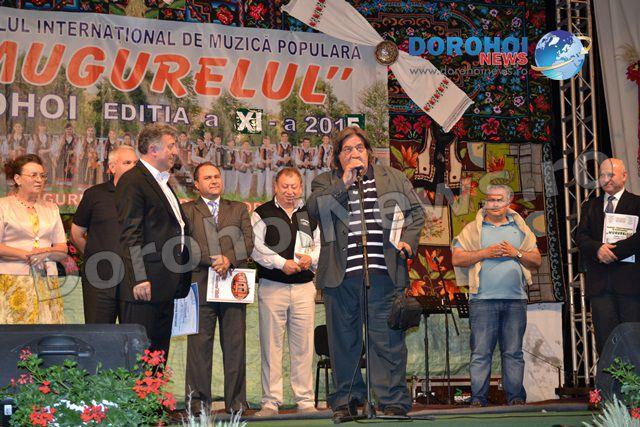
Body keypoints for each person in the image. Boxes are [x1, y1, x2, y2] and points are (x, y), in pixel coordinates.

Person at [307, 126, 424, 420]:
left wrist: (408, 243)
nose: (354, 153)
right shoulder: (325, 181)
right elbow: (315, 210)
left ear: (369, 152)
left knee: (387, 341)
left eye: (359, 147)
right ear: (338, 157)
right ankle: (347, 400)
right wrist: (344, 183)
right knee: (343, 343)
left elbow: (416, 213)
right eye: (347, 149)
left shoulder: (393, 177)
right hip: (340, 278)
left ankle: (392, 399)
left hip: (383, 274)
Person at [452, 184, 541, 407]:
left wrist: (516, 253)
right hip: (482, 301)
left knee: (513, 352)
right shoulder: (473, 228)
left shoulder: (520, 228)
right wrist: (484, 253)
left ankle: (516, 399)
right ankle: (478, 400)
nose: (493, 204)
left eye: (498, 199)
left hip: (515, 301)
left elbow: (536, 260)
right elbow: (457, 258)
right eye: (490, 200)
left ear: (508, 202)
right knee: (481, 352)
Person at [183, 162, 254, 415]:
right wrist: (214, 259)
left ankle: (236, 403)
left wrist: (229, 259)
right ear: (196, 184)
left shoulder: (238, 209)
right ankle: (198, 405)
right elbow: (184, 245)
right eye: (207, 178)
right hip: (200, 285)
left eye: (216, 176)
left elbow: (248, 241)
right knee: (199, 349)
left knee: (235, 347)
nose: (214, 181)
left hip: (232, 286)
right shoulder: (186, 210)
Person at [115, 123, 191, 355]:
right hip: (144, 286)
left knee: (158, 356)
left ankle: (155, 383)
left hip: (165, 283)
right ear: (153, 149)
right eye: (170, 146)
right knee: (139, 357)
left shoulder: (162, 181)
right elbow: (131, 233)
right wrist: (139, 277)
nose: (175, 151)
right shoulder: (134, 180)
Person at [251, 167, 320, 417]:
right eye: (285, 187)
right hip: (272, 287)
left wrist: (310, 258)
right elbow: (255, 248)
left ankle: (305, 401)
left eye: (294, 187)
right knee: (272, 346)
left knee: (304, 347)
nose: (290, 191)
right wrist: (282, 264)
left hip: (304, 288)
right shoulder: (262, 214)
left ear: (301, 188)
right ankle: (271, 402)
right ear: (275, 187)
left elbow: (319, 245)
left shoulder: (309, 215)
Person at [575, 158, 640, 353]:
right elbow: (581, 236)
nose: (606, 179)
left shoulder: (637, 203)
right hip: (600, 286)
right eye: (602, 175)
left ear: (624, 176)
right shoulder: (590, 205)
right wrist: (598, 249)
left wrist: (612, 252)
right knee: (605, 342)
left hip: (630, 285)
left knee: (633, 341)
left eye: (610, 174)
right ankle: (607, 375)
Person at [71, 146, 139, 324]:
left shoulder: (146, 197)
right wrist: (96, 256)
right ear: (112, 167)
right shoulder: (94, 195)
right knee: (98, 334)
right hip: (99, 279)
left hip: (135, 280)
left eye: (136, 163)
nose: (133, 167)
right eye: (127, 163)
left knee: (133, 336)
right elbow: (76, 234)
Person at [0, 154, 68, 323]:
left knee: (45, 333)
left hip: (46, 281)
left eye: (42, 176)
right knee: (14, 332)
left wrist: (47, 252)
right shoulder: (3, 206)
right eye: (33, 175)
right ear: (17, 179)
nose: (39, 180)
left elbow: (62, 249)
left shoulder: (51, 208)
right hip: (12, 279)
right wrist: (27, 255)